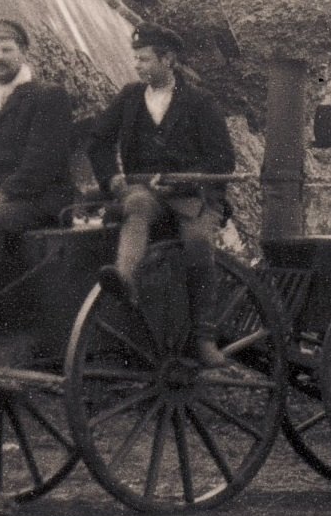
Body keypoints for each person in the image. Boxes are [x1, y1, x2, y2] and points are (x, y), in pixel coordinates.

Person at [88, 23, 240, 364]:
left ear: (167, 59)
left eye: (144, 59)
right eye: (136, 58)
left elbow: (222, 159)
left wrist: (181, 184)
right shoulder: (129, 98)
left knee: (199, 242)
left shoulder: (200, 101)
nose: (137, 65)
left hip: (193, 196)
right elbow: (98, 141)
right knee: (137, 204)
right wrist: (113, 180)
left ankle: (204, 337)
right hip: (145, 192)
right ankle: (123, 276)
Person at [0, 16, 83, 355]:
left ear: (23, 52)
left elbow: (44, 161)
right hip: (1, 201)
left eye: (6, 49)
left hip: (45, 198)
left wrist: (2, 193)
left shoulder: (48, 97)